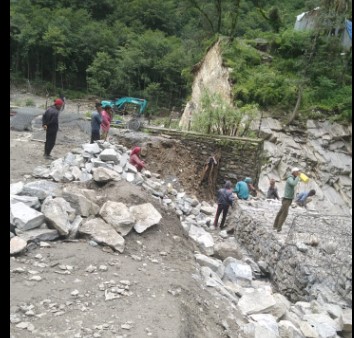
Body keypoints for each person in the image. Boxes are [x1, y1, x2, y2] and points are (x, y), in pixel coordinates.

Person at [273, 167, 301, 233]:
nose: (298, 173)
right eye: (297, 172)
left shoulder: (292, 178)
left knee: (281, 212)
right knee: (284, 213)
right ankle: (279, 228)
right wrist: (298, 178)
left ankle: (275, 226)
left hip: (288, 198)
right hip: (287, 199)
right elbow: (293, 184)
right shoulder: (290, 178)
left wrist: (297, 178)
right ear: (294, 172)